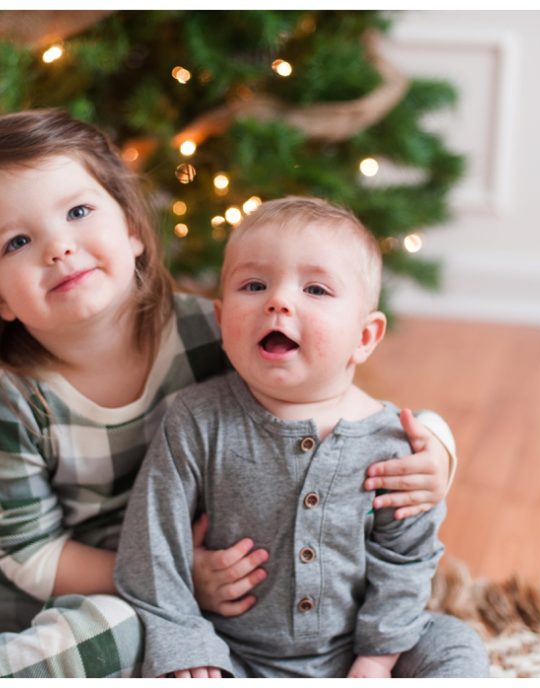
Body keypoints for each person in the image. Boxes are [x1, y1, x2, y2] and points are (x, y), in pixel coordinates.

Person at [0, 110, 458, 678]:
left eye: (79, 212)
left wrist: (439, 452)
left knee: (113, 630)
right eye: (19, 242)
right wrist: (177, 578)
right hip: (67, 581)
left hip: (149, 606)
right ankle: (15, 666)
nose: (59, 248)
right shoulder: (10, 396)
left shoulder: (215, 330)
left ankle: (32, 665)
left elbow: (337, 400)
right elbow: (27, 552)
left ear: (134, 230)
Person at [115, 197, 489, 678]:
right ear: (221, 320)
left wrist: (376, 660)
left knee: (456, 646)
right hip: (232, 652)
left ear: (365, 337)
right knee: (142, 657)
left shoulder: (394, 445)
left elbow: (406, 558)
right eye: (254, 285)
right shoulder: (195, 421)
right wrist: (186, 643)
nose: (279, 301)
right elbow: (150, 548)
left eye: (315, 289)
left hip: (359, 652)